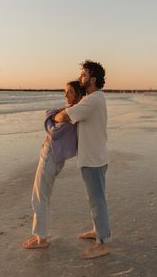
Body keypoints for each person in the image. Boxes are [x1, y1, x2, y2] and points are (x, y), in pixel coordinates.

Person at [54, 60, 111, 259]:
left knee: (97, 202)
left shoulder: (91, 100)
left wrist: (55, 116)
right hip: (98, 156)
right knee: (96, 199)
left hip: (93, 159)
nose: (80, 78)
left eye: (84, 75)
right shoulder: (97, 98)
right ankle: (98, 231)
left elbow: (64, 116)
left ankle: (103, 243)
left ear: (93, 79)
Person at [21, 81, 84, 249]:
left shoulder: (70, 113)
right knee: (42, 196)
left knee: (40, 196)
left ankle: (42, 239)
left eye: (70, 92)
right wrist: (52, 116)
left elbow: (54, 132)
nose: (66, 95)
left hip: (51, 158)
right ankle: (40, 235)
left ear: (77, 95)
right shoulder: (70, 111)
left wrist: (48, 117)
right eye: (65, 91)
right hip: (51, 157)